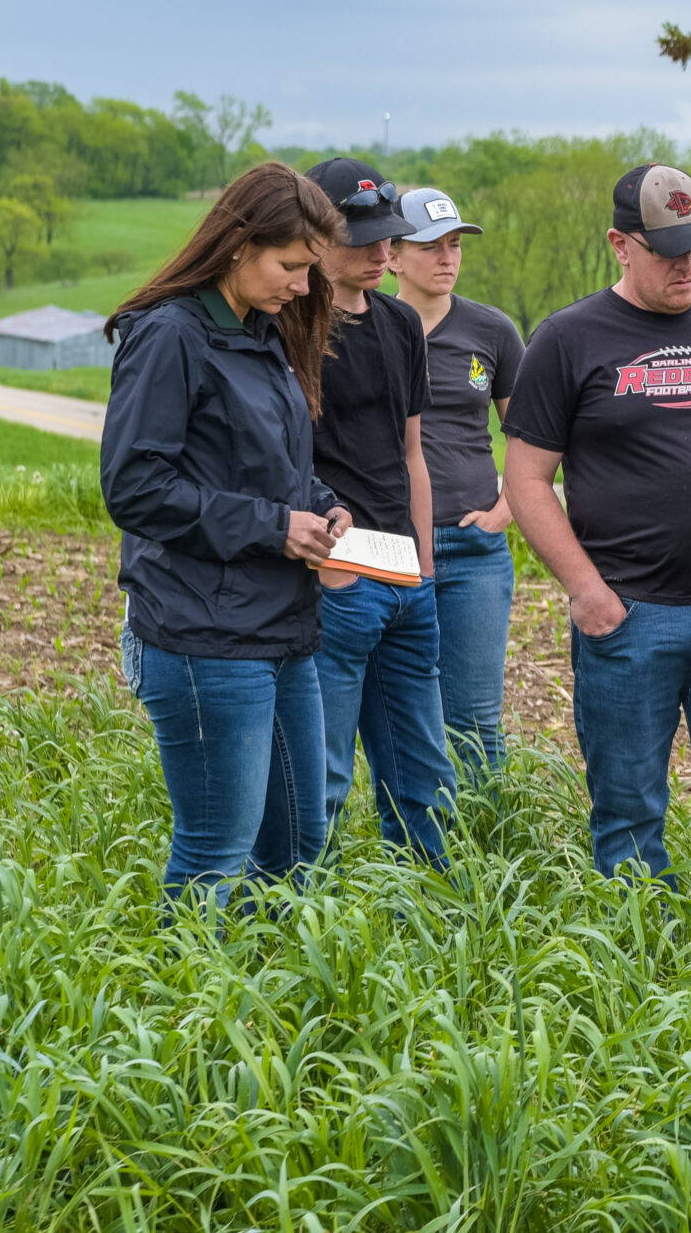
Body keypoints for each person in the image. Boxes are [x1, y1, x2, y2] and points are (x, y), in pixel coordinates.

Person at [504, 163, 691, 911]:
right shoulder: (569, 338)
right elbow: (527, 479)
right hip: (629, 619)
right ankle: (639, 973)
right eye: (669, 248)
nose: (689, 263)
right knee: (631, 815)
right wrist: (588, 591)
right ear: (620, 244)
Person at [101, 162, 351, 905]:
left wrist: (323, 506)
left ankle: (266, 1007)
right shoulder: (171, 335)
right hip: (201, 634)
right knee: (216, 855)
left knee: (300, 842)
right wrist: (276, 527)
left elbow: (268, 466)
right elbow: (136, 487)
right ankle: (190, 1014)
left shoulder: (261, 331)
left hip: (281, 628)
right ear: (239, 244)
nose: (302, 287)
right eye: (291, 266)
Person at [304, 157, 459, 865]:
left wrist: (424, 567)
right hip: (335, 573)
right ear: (313, 236)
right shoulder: (291, 327)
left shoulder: (400, 324)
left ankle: (426, 902)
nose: (380, 251)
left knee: (422, 771)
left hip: (403, 574)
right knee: (326, 768)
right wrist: (332, 568)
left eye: (386, 237)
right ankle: (306, 910)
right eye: (359, 237)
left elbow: (412, 453)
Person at [387, 186, 525, 787]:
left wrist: (505, 511)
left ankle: (484, 838)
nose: (447, 258)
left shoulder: (491, 331)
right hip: (386, 548)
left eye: (454, 245)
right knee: (400, 713)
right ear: (391, 255)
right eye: (430, 247)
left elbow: (530, 436)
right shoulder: (367, 328)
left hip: (472, 548)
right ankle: (416, 844)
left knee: (473, 719)